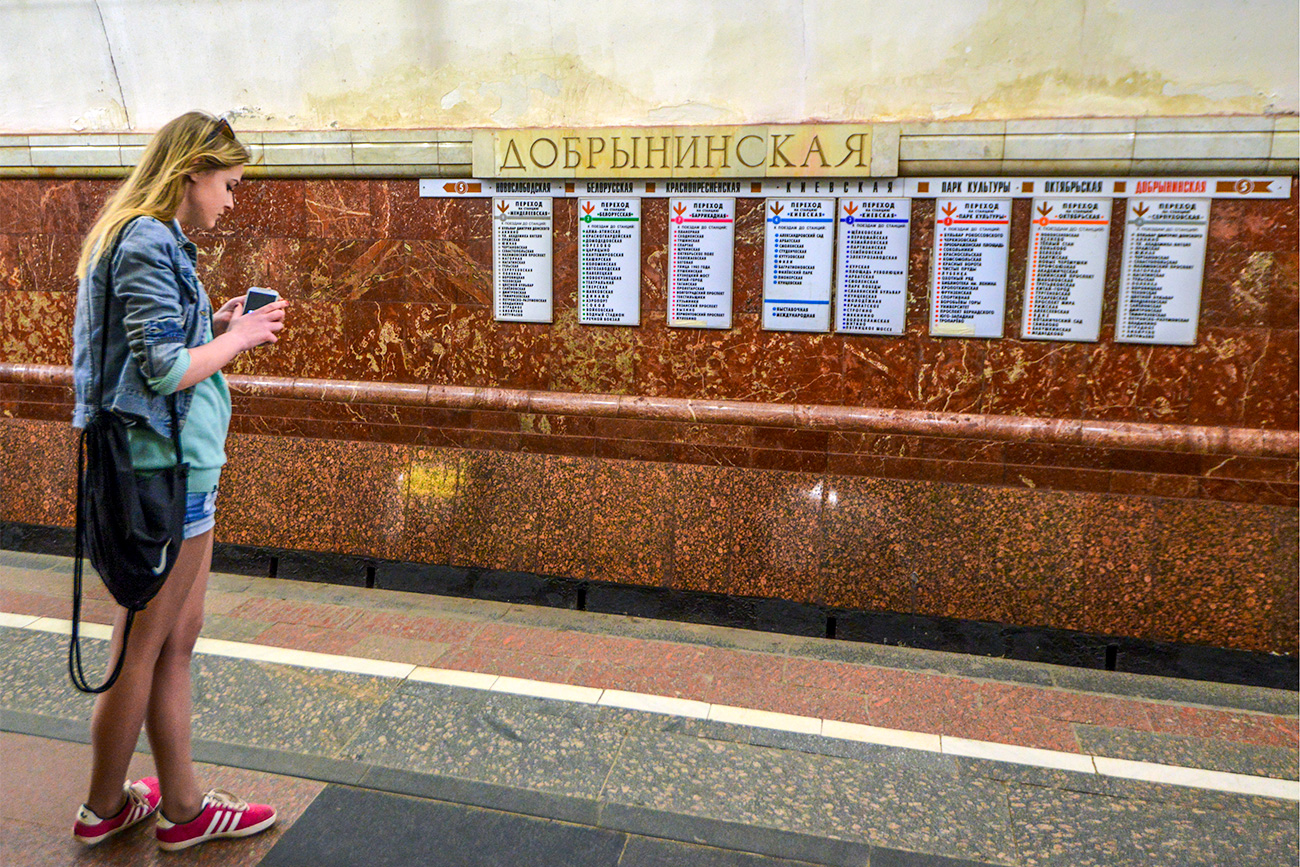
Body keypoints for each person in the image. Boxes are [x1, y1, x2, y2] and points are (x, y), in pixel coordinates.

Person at [69, 111, 287, 851]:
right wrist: (235, 337)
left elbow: (155, 351)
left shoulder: (150, 240)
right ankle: (110, 806)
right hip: (163, 477)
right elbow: (162, 369)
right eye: (227, 184)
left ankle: (179, 804)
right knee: (143, 643)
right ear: (192, 170)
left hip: (181, 470)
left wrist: (212, 323)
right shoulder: (145, 239)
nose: (231, 200)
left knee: (173, 640)